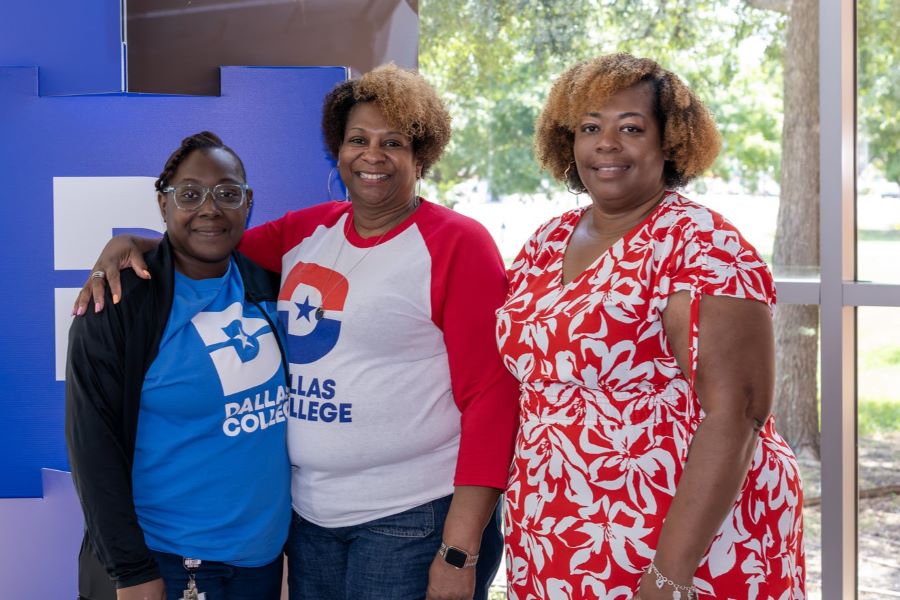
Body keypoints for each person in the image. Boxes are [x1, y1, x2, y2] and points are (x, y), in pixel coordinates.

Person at [73, 64, 518, 600]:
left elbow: (493, 397)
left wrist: (459, 549)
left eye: (392, 142)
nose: (371, 155)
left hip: (410, 517)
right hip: (311, 523)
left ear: (421, 155)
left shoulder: (458, 244)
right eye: (357, 139)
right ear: (337, 149)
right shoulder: (307, 232)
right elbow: (208, 238)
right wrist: (131, 243)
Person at [496, 53, 805, 599]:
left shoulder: (705, 247)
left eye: (631, 128)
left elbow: (738, 414)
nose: (606, 144)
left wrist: (669, 575)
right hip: (558, 533)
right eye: (591, 127)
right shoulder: (547, 241)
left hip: (682, 542)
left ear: (671, 142)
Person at [66, 132, 291, 600]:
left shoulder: (270, 282)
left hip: (262, 565)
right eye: (190, 195)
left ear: (248, 204)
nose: (210, 208)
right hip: (168, 565)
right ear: (163, 205)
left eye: (228, 194)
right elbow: (92, 447)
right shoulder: (118, 302)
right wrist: (131, 572)